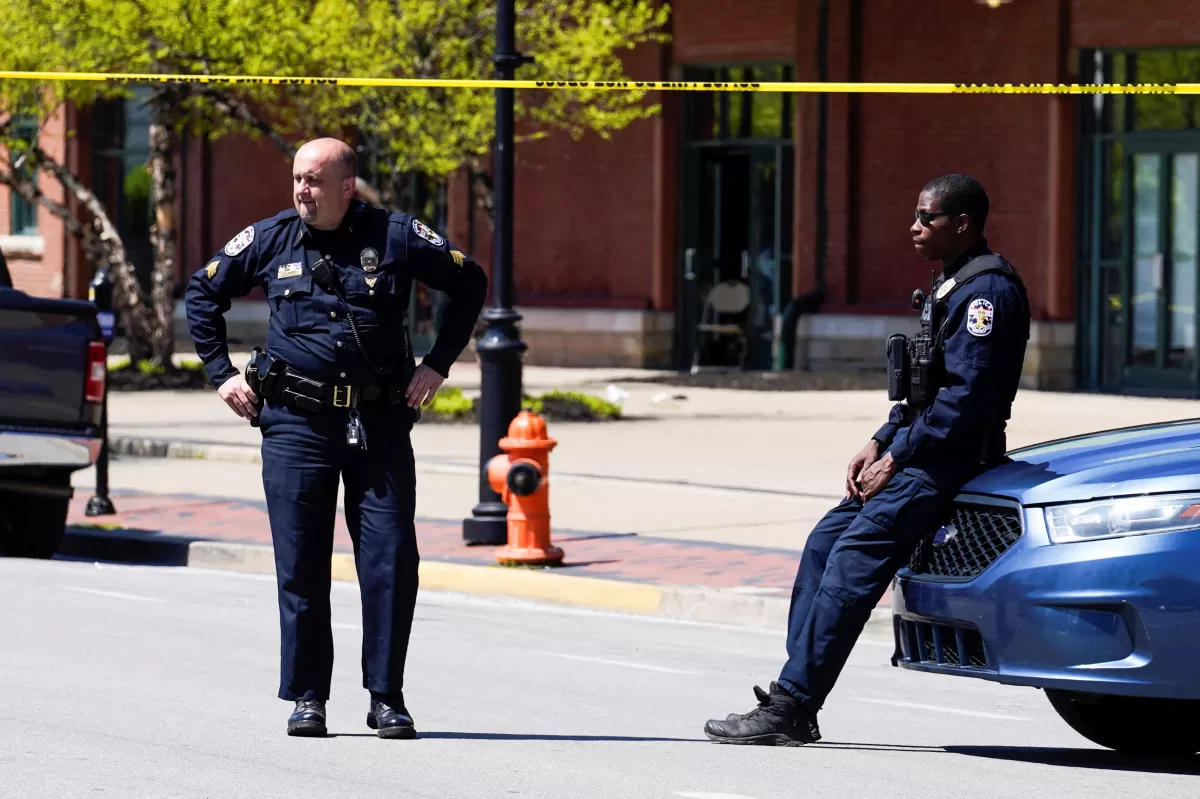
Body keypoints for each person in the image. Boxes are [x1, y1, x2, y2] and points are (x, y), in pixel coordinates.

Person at [704, 174, 1030, 746]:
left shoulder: (988, 293)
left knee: (852, 560)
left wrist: (897, 459)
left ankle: (793, 705)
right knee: (823, 545)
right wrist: (879, 440)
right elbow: (925, 391)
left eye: (927, 217)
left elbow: (966, 401)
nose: (915, 226)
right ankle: (793, 688)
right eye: (916, 214)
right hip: (916, 451)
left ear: (963, 223)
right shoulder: (952, 283)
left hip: (946, 461)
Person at [185, 138, 487, 739]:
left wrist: (438, 363)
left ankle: (386, 696)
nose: (302, 191)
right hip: (296, 424)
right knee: (300, 562)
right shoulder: (271, 238)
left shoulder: (396, 236)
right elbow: (202, 291)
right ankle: (308, 696)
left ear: (347, 186)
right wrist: (220, 375)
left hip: (377, 423)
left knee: (392, 559)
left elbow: (469, 282)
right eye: (297, 179)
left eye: (315, 180)